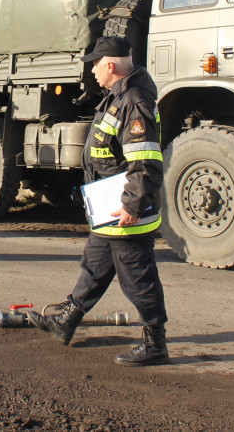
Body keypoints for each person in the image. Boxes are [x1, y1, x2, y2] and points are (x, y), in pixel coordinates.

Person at [27, 36, 168, 366]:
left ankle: (155, 344)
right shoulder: (119, 97)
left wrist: (132, 205)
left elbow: (146, 160)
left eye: (95, 64)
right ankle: (66, 321)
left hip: (125, 210)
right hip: (110, 206)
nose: (91, 70)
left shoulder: (133, 101)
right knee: (94, 266)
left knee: (137, 278)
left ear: (111, 66)